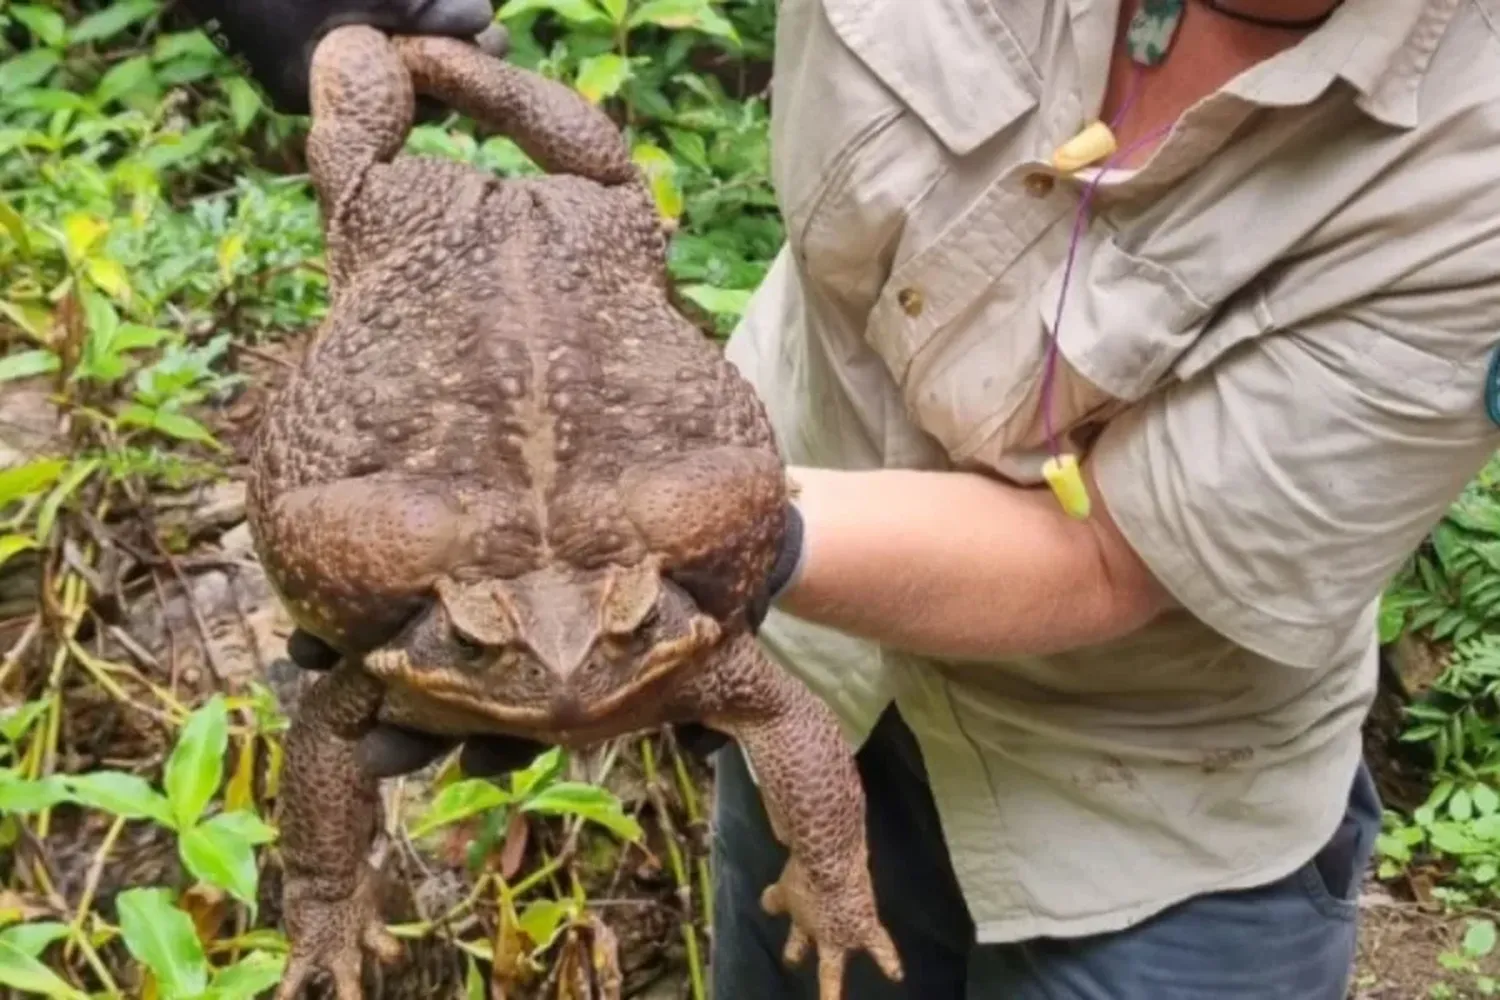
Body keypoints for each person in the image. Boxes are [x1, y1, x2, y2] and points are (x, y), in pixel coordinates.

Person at [189, 0, 1500, 996]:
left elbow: (1114, 560)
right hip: (801, 656)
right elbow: (337, 721)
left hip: (1149, 807)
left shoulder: (1474, 170)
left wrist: (715, 559)